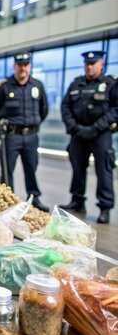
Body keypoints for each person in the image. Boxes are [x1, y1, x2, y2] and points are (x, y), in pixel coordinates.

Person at [59, 51, 118, 224]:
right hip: (78, 134)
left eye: (93, 63)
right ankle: (77, 201)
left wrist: (95, 128)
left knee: (103, 171)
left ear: (101, 64)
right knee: (77, 168)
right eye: (87, 63)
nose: (89, 66)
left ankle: (105, 207)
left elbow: (116, 109)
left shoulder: (110, 84)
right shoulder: (76, 84)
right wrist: (76, 127)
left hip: (100, 134)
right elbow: (65, 107)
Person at [0, 52, 49, 212]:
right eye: (20, 65)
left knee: (31, 168)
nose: (23, 68)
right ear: (15, 66)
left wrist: (32, 125)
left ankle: (34, 197)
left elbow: (44, 109)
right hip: (11, 136)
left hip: (31, 136)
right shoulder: (4, 86)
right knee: (7, 170)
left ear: (29, 66)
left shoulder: (37, 85)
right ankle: (7, 201)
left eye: (26, 65)